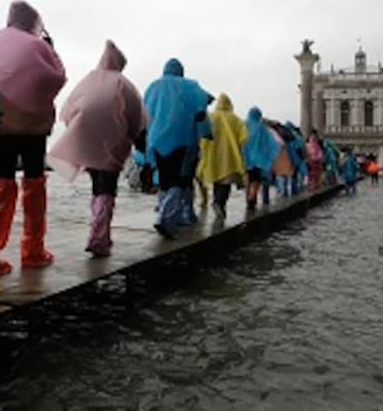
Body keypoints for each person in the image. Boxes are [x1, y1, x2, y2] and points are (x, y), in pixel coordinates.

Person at [0, 1, 66, 276]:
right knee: (34, 183)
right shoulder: (38, 45)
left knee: (2, 183)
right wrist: (51, 48)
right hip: (33, 126)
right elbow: (57, 78)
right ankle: (33, 251)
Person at [46, 40, 146, 258]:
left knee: (97, 186)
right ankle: (99, 238)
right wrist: (138, 142)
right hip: (112, 141)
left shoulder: (87, 80)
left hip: (86, 140)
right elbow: (137, 117)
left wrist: (78, 128)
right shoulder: (124, 84)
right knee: (107, 187)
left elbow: (68, 109)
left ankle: (98, 232)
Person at [143, 59, 211, 238]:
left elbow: (144, 114)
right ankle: (165, 216)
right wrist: (206, 132)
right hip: (183, 139)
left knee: (165, 181)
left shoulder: (152, 87)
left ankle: (169, 217)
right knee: (180, 181)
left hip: (156, 141)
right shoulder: (191, 86)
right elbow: (201, 112)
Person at [197, 93, 248, 218]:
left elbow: (202, 135)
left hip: (212, 156)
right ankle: (220, 203)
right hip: (229, 158)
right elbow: (244, 138)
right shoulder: (235, 119)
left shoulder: (211, 117)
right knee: (226, 183)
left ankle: (217, 202)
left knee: (216, 181)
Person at [241, 107, 280, 211]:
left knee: (248, 180)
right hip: (258, 160)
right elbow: (270, 143)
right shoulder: (261, 127)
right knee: (255, 181)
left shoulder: (244, 125)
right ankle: (251, 200)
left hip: (245, 159)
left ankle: (249, 201)